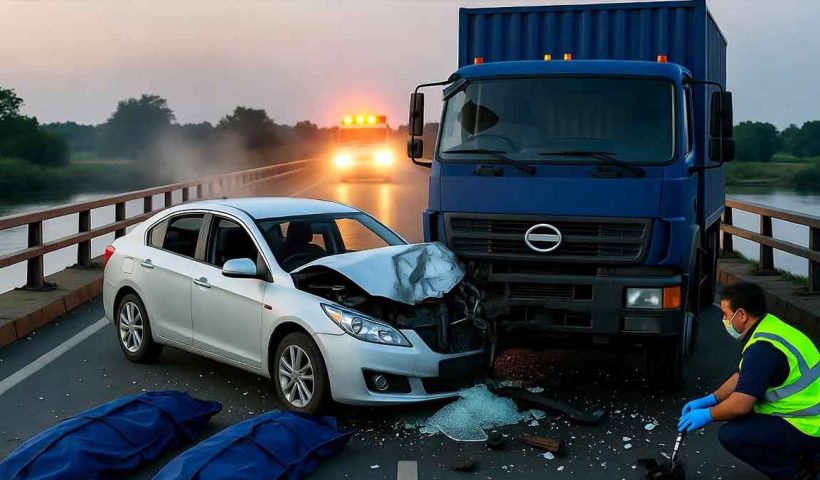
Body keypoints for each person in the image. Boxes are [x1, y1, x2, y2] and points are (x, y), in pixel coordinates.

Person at [678, 282, 820, 479]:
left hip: (809, 426)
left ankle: (798, 474)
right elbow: (742, 376)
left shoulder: (762, 349)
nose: (724, 320)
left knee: (733, 435)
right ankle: (809, 457)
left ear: (742, 315)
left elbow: (740, 406)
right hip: (810, 416)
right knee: (741, 415)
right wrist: (710, 399)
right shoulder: (771, 327)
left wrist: (708, 414)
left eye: (726, 315)